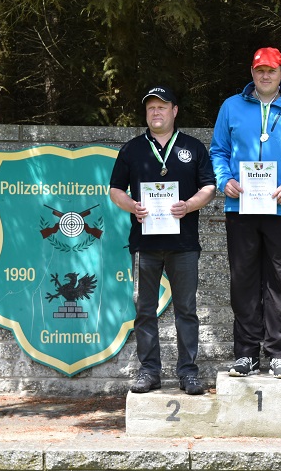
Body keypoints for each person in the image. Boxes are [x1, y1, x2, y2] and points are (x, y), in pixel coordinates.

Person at [210, 47, 281, 379]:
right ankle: (245, 354)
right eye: (260, 70)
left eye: (271, 70)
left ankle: (277, 354)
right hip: (241, 205)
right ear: (252, 72)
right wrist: (224, 179)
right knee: (243, 281)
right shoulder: (231, 107)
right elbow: (217, 150)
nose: (265, 75)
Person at [109, 85, 216, 395]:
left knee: (186, 309)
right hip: (145, 244)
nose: (156, 112)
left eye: (162, 106)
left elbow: (208, 187)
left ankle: (188, 373)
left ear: (174, 111)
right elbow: (115, 190)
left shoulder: (193, 148)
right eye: (150, 108)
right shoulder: (131, 149)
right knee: (145, 310)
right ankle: (149, 371)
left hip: (183, 244)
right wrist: (132, 205)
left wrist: (190, 205)